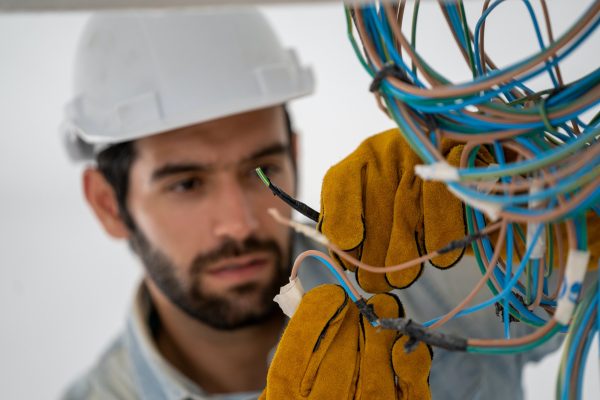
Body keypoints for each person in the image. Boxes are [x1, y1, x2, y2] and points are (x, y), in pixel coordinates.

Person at [61, 7, 560, 400]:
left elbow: (579, 279)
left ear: (294, 156)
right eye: (187, 184)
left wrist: (532, 195)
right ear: (108, 204)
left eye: (264, 169)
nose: (239, 223)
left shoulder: (436, 272)